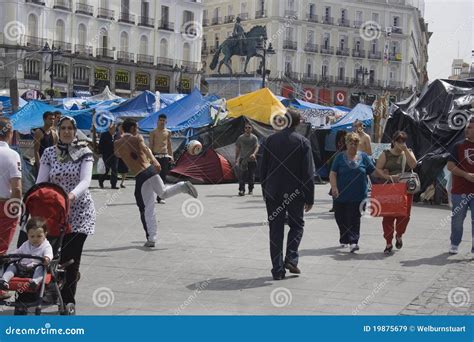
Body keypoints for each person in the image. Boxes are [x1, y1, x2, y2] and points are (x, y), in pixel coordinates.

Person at [36, 116, 95, 313]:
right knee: (53, 257)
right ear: (58, 131)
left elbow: (86, 180)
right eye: (64, 128)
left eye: (71, 128)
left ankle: (68, 301)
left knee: (71, 258)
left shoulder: (84, 153)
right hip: (55, 213)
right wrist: (37, 200)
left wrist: (69, 196)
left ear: (75, 130)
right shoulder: (49, 153)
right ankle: (60, 284)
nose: (67, 132)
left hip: (79, 213)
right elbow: (41, 181)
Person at [114, 119, 198, 248]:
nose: (138, 130)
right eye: (136, 127)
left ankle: (152, 237)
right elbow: (146, 149)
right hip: (150, 170)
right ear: (131, 129)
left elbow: (118, 154)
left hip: (141, 176)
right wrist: (154, 161)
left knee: (147, 208)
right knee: (163, 193)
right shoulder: (137, 138)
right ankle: (182, 186)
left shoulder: (118, 143)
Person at [260, 109, 314, 280]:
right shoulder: (303, 142)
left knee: (275, 230)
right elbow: (308, 172)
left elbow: (263, 169)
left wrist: (265, 191)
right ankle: (291, 257)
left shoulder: (270, 140)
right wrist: (309, 197)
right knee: (297, 225)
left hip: (273, 192)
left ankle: (277, 270)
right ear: (298, 123)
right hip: (295, 193)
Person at [330, 132, 393, 253]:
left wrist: (387, 177)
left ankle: (354, 241)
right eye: (350, 143)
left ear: (358, 144)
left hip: (359, 195)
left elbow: (373, 171)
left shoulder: (364, 157)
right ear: (346, 144)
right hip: (340, 194)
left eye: (355, 143)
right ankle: (344, 237)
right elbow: (333, 173)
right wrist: (334, 187)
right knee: (340, 217)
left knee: (354, 218)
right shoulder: (339, 157)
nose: (353, 145)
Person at [376, 131, 417, 254]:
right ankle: (388, 242)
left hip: (405, 190)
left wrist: (406, 151)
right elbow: (377, 170)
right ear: (393, 142)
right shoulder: (386, 154)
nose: (401, 144)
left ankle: (399, 235)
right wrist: (388, 177)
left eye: (403, 141)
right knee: (388, 217)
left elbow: (414, 164)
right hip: (390, 190)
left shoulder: (407, 152)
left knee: (404, 216)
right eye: (399, 141)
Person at [0, 117, 22, 301]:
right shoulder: (12, 155)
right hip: (5, 205)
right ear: (10, 133)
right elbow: (17, 188)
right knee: (1, 248)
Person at [0, 217, 53, 292]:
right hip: (22, 268)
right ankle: (4, 280)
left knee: (40, 268)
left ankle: (35, 282)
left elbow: (49, 254)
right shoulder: (26, 244)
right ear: (28, 235)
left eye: (39, 236)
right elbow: (17, 252)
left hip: (34, 269)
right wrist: (8, 257)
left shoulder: (46, 246)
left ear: (45, 234)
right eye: (32, 236)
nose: (35, 239)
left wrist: (46, 258)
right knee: (12, 266)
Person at [447, 118, 474, 255]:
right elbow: (450, 166)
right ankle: (454, 243)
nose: (466, 130)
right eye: (466, 127)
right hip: (460, 191)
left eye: (470, 127)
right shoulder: (458, 146)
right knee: (457, 220)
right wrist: (466, 175)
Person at [149, 114, 174, 204]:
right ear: (157, 121)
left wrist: (172, 156)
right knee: (153, 177)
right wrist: (150, 158)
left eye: (164, 120)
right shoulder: (153, 132)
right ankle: (150, 196)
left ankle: (161, 196)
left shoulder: (168, 132)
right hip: (155, 156)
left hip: (164, 156)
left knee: (163, 177)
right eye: (161, 120)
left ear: (166, 122)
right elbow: (150, 145)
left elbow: (169, 145)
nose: (162, 122)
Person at [235, 124, 259, 196]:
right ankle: (242, 190)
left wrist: (254, 154)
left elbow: (257, 146)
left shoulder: (254, 138)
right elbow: (238, 148)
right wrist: (236, 158)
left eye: (249, 128)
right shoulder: (241, 138)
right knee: (242, 175)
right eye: (246, 128)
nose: (247, 129)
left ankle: (250, 189)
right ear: (244, 129)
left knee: (251, 175)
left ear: (251, 129)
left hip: (251, 160)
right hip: (243, 159)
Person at [328, 130, 348, 213]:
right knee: (335, 187)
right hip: (339, 157)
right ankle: (335, 206)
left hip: (341, 157)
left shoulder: (344, 140)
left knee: (336, 187)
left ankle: (336, 206)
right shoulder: (342, 140)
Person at [98, 123, 118, 189]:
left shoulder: (117, 135)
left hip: (115, 155)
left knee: (114, 170)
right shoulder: (104, 135)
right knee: (106, 170)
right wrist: (100, 153)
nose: (114, 129)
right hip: (106, 155)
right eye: (112, 128)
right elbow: (100, 145)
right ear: (109, 128)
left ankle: (113, 185)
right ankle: (101, 181)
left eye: (115, 128)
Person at [115, 123, 128, 188]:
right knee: (116, 169)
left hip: (125, 155)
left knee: (125, 169)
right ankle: (116, 182)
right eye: (120, 127)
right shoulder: (116, 135)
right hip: (118, 154)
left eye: (122, 127)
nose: (121, 128)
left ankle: (122, 182)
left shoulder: (126, 134)